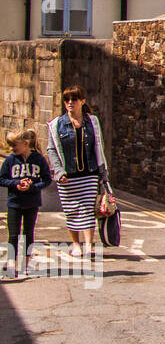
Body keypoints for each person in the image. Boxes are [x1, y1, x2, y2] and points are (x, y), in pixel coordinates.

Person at [46, 86, 112, 257]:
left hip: (89, 174)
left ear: (82, 102)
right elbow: (51, 150)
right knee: (71, 210)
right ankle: (76, 244)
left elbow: (99, 147)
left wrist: (102, 172)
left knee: (88, 209)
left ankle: (89, 245)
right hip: (68, 176)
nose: (69, 103)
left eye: (74, 100)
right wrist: (59, 172)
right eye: (66, 100)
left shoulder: (93, 122)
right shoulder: (56, 125)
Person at [1, 129, 51, 276]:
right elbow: (1, 179)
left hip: (32, 202)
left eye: (14, 146)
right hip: (14, 203)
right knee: (13, 234)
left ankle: (27, 264)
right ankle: (11, 263)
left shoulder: (39, 159)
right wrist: (16, 183)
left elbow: (47, 179)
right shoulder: (10, 160)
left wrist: (33, 187)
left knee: (28, 233)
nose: (11, 149)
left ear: (26, 143)